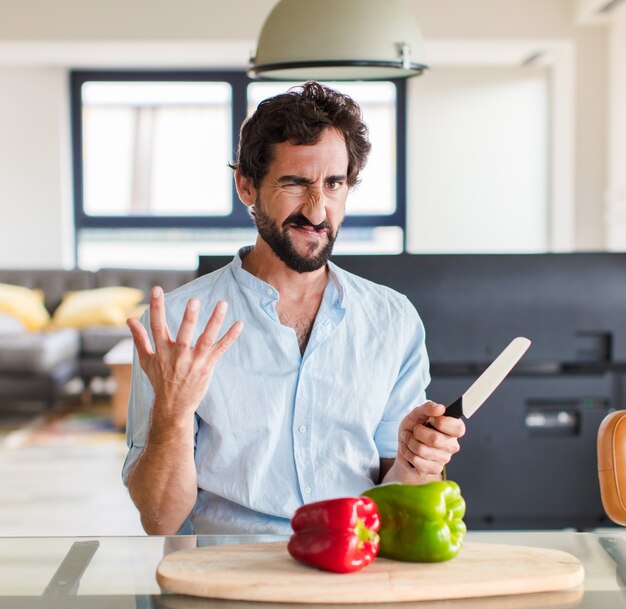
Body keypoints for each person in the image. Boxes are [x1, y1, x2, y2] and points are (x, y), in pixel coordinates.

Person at [122, 81, 465, 536]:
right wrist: (173, 411)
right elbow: (160, 519)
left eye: (333, 184)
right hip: (228, 579)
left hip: (353, 566)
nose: (318, 210)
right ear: (246, 185)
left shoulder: (392, 320)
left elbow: (398, 496)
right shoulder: (180, 327)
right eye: (295, 183)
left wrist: (417, 461)